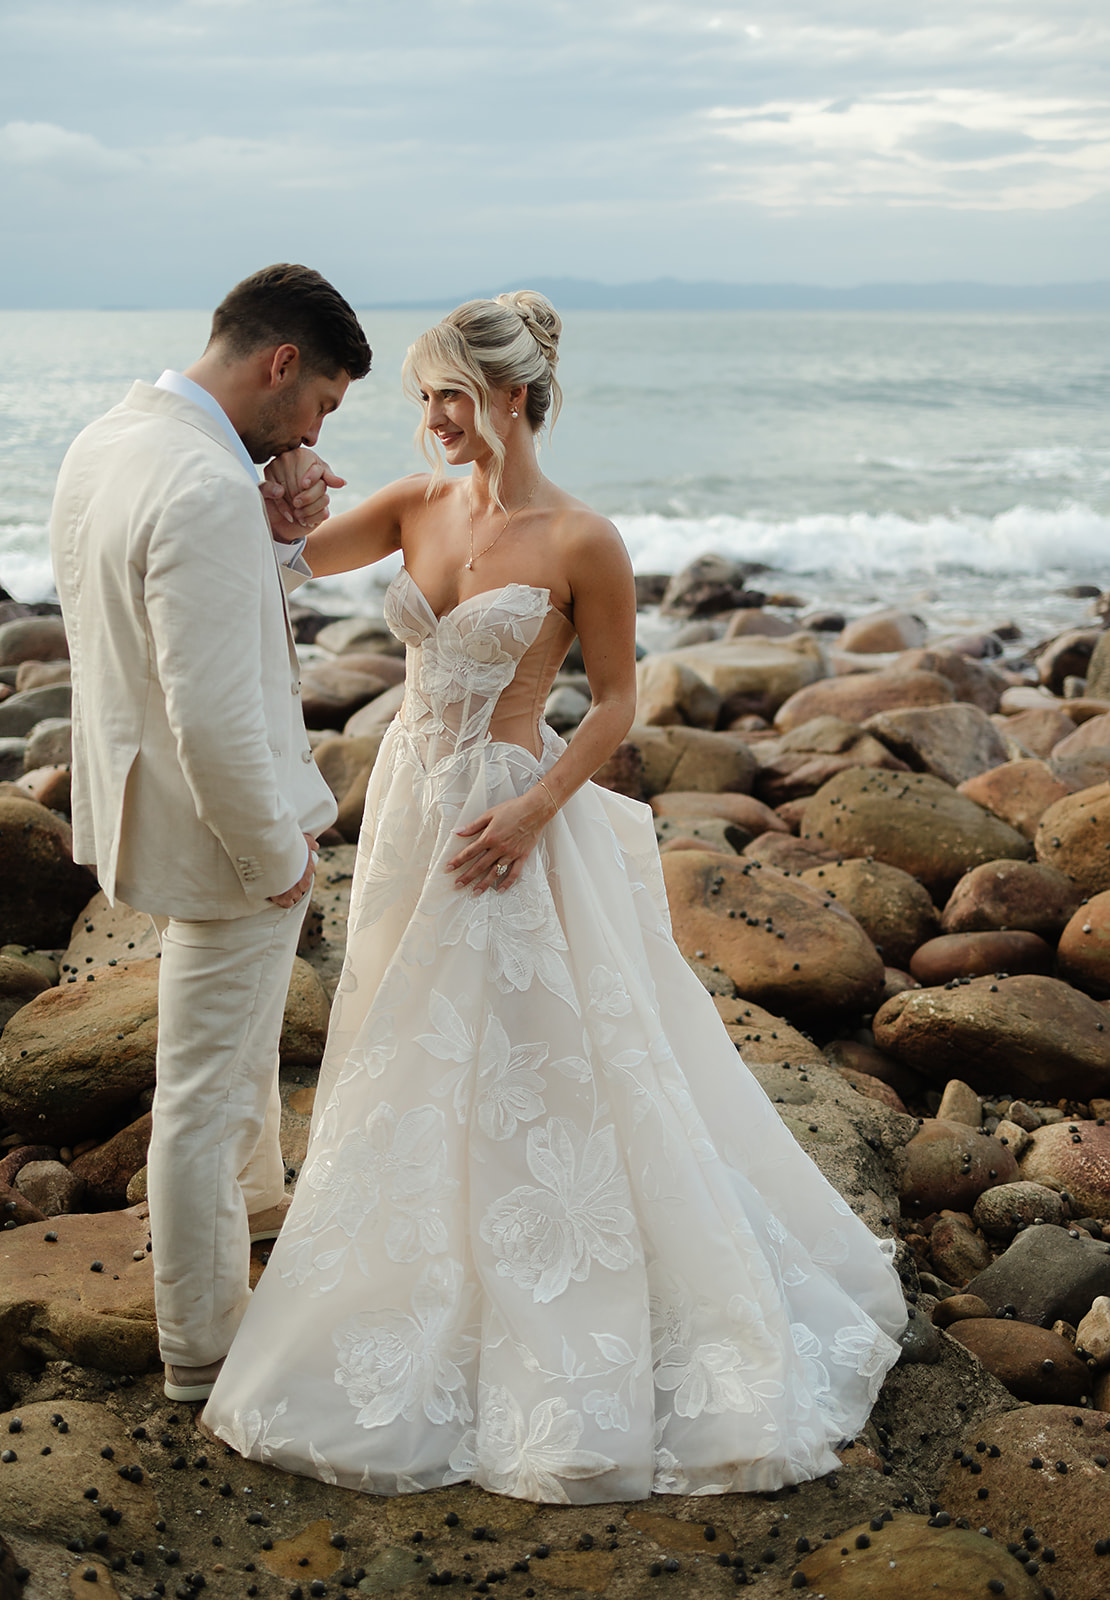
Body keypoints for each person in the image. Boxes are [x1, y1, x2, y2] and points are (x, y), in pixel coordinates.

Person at [202, 291, 907, 1502]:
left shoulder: (584, 539)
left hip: (508, 816)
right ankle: (413, 1271)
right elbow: (279, 560)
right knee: (402, 1037)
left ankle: (561, 1306)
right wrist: (275, 498)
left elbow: (620, 701)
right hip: (409, 810)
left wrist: (535, 808)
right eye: (425, 396)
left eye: (451, 395)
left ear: (514, 396)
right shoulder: (415, 505)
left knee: (532, 1062)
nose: (433, 418)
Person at [49, 263, 372, 1403]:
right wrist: (275, 853)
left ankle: (259, 1206)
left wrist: (278, 539)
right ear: (281, 364)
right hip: (220, 832)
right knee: (196, 1089)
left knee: (233, 1052)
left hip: (141, 807)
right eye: (321, 402)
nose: (316, 431)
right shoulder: (204, 484)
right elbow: (216, 716)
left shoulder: (108, 441)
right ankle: (204, 1346)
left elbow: (152, 621)